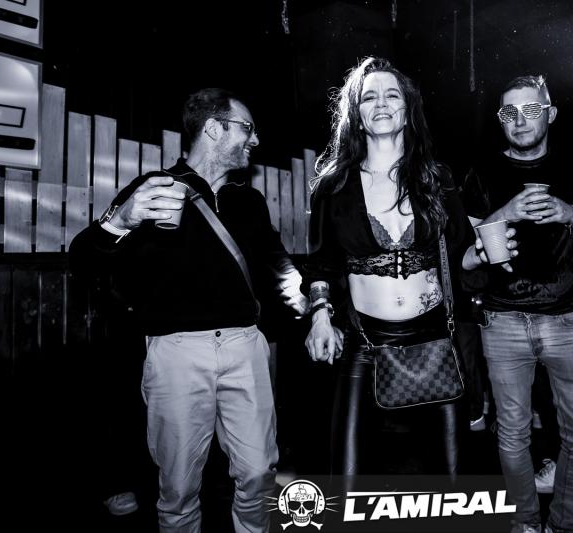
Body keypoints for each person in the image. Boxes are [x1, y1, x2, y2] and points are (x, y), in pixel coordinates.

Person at [69, 88, 308, 533]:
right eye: (247, 128)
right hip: (176, 352)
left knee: (259, 473)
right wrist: (120, 220)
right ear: (214, 128)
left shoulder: (249, 201)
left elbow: (277, 262)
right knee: (178, 486)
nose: (256, 140)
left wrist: (311, 303)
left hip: (244, 346)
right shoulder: (154, 189)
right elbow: (82, 259)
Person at [302, 57, 475, 481]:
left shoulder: (436, 178)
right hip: (364, 343)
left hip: (434, 338)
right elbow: (321, 261)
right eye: (369, 97)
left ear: (407, 108)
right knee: (347, 477)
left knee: (452, 479)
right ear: (356, 114)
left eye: (391, 94)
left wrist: (488, 253)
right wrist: (320, 316)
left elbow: (461, 254)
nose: (381, 103)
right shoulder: (333, 185)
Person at [461, 74, 573, 533]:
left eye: (531, 110)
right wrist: (506, 212)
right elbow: (466, 254)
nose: (520, 120)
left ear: (550, 114)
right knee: (513, 435)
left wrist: (570, 213)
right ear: (500, 120)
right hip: (504, 319)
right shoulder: (481, 172)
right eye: (510, 112)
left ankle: (564, 525)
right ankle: (526, 522)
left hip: (569, 319)